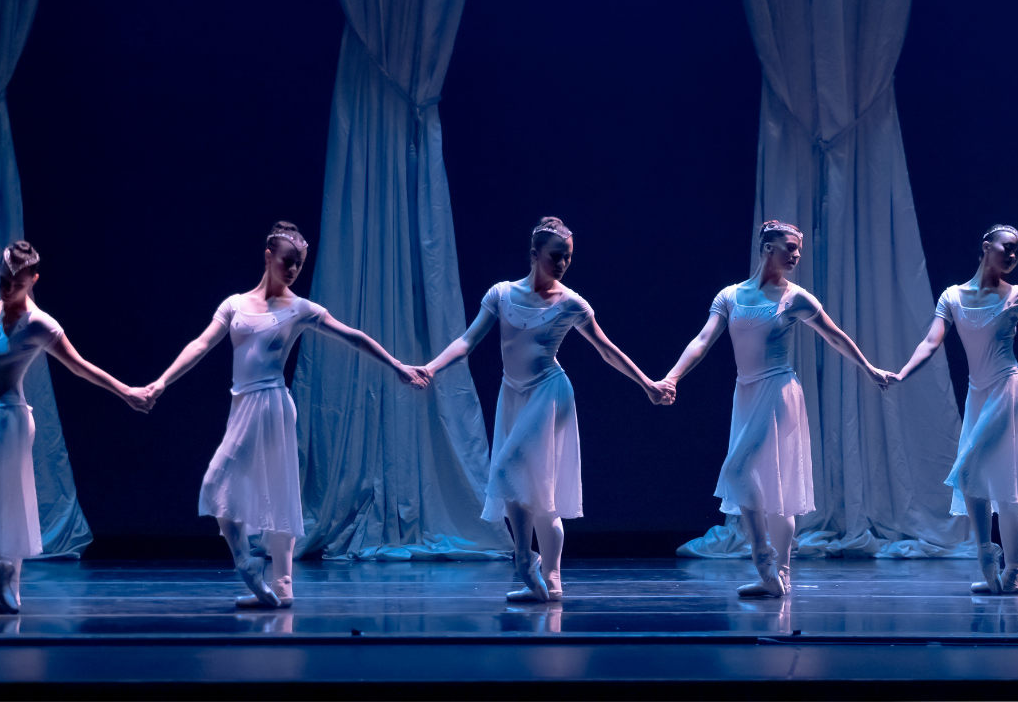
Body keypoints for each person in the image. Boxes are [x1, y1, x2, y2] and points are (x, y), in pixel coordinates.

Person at [142, 222, 428, 608]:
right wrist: (162, 381)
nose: (293, 270)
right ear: (268, 256)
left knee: (265, 489)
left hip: (272, 405)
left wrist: (397, 365)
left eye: (299, 264)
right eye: (287, 261)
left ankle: (277, 580)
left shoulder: (299, 309)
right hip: (243, 405)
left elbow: (353, 336)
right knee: (222, 484)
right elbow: (201, 344)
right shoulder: (234, 305)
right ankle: (262, 573)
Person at [420, 217, 670, 604]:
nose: (563, 263)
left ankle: (525, 559)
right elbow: (467, 341)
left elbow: (607, 350)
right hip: (513, 395)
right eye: (556, 255)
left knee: (508, 471)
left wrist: (647, 384)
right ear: (535, 253)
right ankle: (550, 583)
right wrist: (431, 368)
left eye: (568, 256)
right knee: (535, 493)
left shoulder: (571, 303)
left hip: (549, 394)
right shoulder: (502, 294)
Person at [660, 221, 892, 599]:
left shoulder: (796, 297)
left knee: (741, 472)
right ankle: (778, 579)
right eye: (790, 247)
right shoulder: (730, 296)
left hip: (779, 391)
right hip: (746, 394)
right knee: (771, 488)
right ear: (768, 248)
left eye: (799, 248)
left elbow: (834, 335)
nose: (797, 254)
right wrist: (672, 377)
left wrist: (869, 368)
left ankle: (765, 561)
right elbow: (702, 340)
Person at [0, 241, 149, 613]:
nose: (8, 288)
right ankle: (6, 594)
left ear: (33, 280)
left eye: (17, 283)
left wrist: (125, 390)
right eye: (3, 280)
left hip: (7, 419)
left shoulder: (38, 323)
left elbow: (79, 366)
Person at [891, 225, 1018, 595]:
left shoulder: (1017, 297)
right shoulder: (952, 296)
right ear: (986, 246)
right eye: (1008, 247)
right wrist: (903, 372)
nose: (1013, 255)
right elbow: (931, 342)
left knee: (972, 471)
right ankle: (1008, 572)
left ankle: (995, 559)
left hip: (1009, 389)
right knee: (995, 483)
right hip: (978, 395)